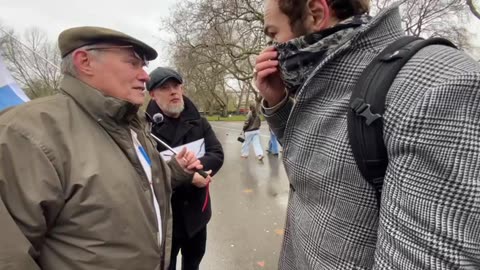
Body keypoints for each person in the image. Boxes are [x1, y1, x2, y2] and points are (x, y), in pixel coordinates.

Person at [255, 0, 480, 269]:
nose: (270, 50)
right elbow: (315, 159)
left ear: (316, 13)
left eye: (273, 35)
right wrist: (278, 102)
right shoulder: (326, 77)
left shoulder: (437, 86)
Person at [0, 26, 204, 270]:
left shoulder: (131, 124)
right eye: (133, 63)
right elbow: (9, 256)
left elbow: (134, 184)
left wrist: (176, 171)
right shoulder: (28, 133)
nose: (145, 76)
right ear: (85, 62)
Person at [146, 67, 224, 270]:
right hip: (167, 221)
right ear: (153, 95)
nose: (173, 91)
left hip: (198, 215)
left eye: (176, 86)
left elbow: (216, 153)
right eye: (165, 87)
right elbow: (147, 172)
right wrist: (189, 177)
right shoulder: (145, 129)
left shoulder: (199, 122)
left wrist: (200, 170)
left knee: (193, 263)